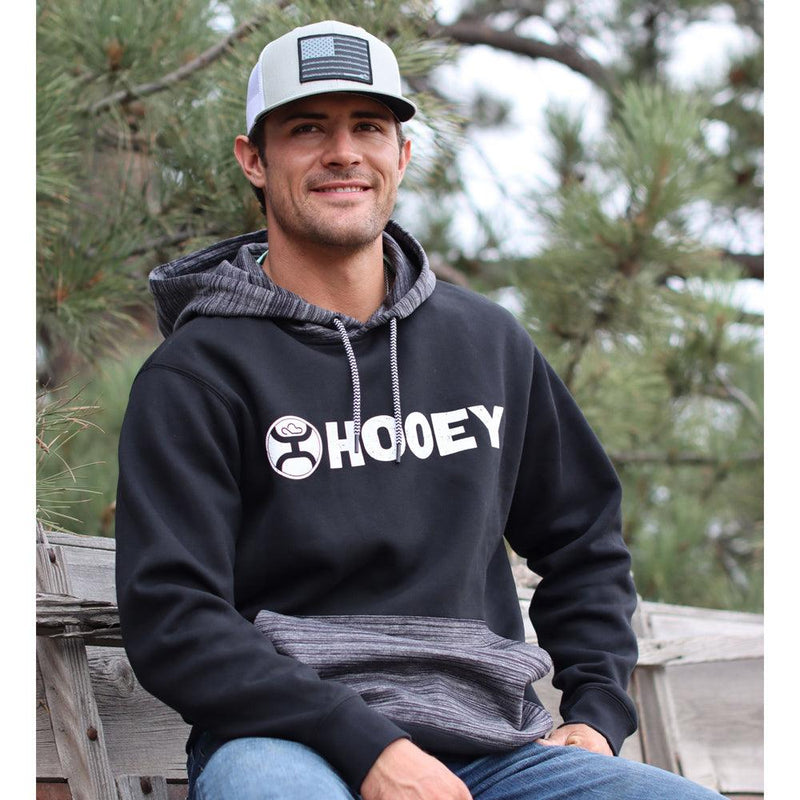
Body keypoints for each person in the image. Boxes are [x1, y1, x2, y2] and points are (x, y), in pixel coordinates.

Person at [115, 19, 723, 800]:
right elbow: (173, 617)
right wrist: (370, 749)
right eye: (308, 128)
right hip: (288, 744)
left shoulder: (487, 343)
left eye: (368, 126)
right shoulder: (197, 375)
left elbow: (584, 540)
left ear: (401, 155)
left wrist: (597, 711)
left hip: (498, 748)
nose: (343, 152)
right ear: (254, 161)